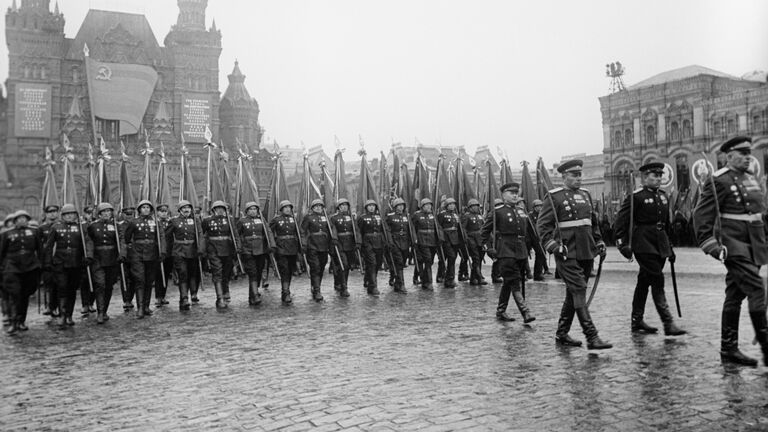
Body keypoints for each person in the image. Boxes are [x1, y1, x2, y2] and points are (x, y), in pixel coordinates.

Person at [694, 136, 768, 366]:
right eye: (742, 153)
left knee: (735, 295)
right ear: (728, 155)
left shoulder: (751, 179)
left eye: (749, 153)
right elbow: (701, 217)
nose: (748, 157)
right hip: (734, 245)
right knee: (757, 290)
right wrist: (713, 247)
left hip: (755, 245)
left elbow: (761, 214)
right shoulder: (718, 180)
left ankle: (728, 348)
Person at [537, 159, 612, 350]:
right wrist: (554, 246)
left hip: (586, 251)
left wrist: (599, 242)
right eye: (574, 175)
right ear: (564, 177)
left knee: (573, 294)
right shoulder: (554, 197)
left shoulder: (586, 195)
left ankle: (562, 333)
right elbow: (543, 227)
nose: (578, 178)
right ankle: (592, 337)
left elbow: (592, 223)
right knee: (578, 289)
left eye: (580, 175)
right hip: (566, 252)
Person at [615, 162, 686, 336]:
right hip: (643, 243)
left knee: (644, 281)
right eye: (654, 176)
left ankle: (636, 320)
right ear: (644, 178)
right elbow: (621, 222)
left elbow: (666, 225)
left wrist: (669, 247)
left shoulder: (663, 196)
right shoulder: (636, 197)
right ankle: (668, 323)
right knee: (657, 279)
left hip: (660, 243)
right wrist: (622, 244)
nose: (658, 179)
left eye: (660, 176)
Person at [482, 183, 536, 323]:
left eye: (516, 193)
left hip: (521, 251)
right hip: (505, 250)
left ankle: (501, 311)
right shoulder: (497, 212)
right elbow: (484, 233)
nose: (515, 195)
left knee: (508, 281)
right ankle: (525, 312)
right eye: (511, 193)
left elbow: (529, 233)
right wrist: (488, 248)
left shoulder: (521, 211)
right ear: (503, 195)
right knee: (514, 281)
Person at [45, 204, 88, 327]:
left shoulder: (80, 227)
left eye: (72, 214)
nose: (70, 216)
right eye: (67, 214)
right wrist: (47, 263)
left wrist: (87, 257)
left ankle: (69, 315)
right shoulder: (56, 227)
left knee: (72, 289)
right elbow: (49, 247)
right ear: (62, 216)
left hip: (76, 264)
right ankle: (62, 315)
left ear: (75, 215)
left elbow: (86, 243)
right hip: (60, 264)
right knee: (62, 288)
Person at [0, 210, 43, 334]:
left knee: (25, 296)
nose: (22, 220)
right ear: (15, 221)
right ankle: (13, 322)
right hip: (12, 268)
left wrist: (40, 265)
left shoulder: (34, 232)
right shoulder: (7, 234)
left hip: (30, 267)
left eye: (25, 218)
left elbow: (39, 250)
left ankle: (21, 321)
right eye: (19, 219)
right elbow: (1, 253)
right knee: (15, 295)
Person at [124, 200, 166, 318]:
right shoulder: (134, 222)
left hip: (152, 255)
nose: (146, 209)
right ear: (139, 210)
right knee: (140, 280)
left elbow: (161, 237)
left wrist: (162, 251)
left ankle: (146, 306)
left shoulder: (156, 222)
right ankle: (140, 308)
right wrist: (131, 248)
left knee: (149, 281)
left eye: (148, 207)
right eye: (143, 207)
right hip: (137, 255)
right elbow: (127, 238)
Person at [85, 203, 124, 324]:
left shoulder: (116, 226)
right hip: (98, 259)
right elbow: (89, 241)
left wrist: (122, 254)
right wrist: (89, 256)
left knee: (108, 286)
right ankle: (100, 313)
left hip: (112, 259)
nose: (107, 214)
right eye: (104, 212)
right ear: (99, 214)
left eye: (109, 211)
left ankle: (104, 310)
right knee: (100, 285)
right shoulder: (92, 226)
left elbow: (122, 240)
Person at [166, 200, 204, 310]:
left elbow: (200, 235)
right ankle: (183, 298)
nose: (186, 210)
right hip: (179, 251)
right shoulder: (174, 221)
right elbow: (167, 237)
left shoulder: (196, 221)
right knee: (182, 274)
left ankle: (193, 294)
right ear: (180, 210)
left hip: (193, 251)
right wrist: (167, 251)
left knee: (192, 273)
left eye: (188, 208)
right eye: (184, 208)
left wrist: (201, 248)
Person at [202, 201, 236, 308]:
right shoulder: (207, 220)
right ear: (213, 210)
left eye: (222, 208)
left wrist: (238, 248)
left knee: (227, 272)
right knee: (217, 273)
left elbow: (235, 235)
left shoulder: (229, 220)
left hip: (227, 249)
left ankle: (225, 290)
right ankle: (219, 298)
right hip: (213, 249)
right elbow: (202, 235)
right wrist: (203, 249)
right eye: (217, 209)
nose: (220, 210)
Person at [236, 201, 271, 305]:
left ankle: (252, 294)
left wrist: (271, 245)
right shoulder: (242, 221)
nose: (253, 211)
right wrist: (240, 247)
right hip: (248, 250)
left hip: (261, 250)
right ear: (247, 211)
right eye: (250, 209)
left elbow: (268, 233)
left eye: (254, 209)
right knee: (253, 273)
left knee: (259, 271)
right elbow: (237, 235)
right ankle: (255, 295)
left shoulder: (262, 221)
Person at [300, 199, 331, 302]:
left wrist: (332, 241)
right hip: (312, 245)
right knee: (315, 267)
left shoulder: (326, 217)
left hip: (324, 245)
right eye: (316, 206)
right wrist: (304, 243)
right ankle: (317, 291)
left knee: (322, 267)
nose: (318, 208)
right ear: (312, 208)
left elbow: (330, 230)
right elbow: (303, 231)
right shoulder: (308, 218)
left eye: (320, 206)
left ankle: (315, 286)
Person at [270, 200, 300, 304]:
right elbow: (270, 232)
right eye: (285, 207)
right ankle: (285, 292)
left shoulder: (294, 219)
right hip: (281, 247)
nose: (288, 209)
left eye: (289, 207)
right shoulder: (276, 220)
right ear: (281, 209)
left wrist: (300, 248)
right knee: (284, 269)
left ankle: (287, 289)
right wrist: (273, 245)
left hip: (292, 247)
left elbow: (298, 234)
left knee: (291, 270)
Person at [412, 198, 441, 290]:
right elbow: (412, 228)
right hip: (422, 240)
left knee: (430, 261)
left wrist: (440, 238)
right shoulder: (417, 215)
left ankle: (423, 278)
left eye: (430, 205)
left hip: (432, 240)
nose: (429, 206)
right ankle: (428, 282)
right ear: (422, 206)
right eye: (426, 205)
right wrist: (415, 239)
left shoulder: (433, 215)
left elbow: (437, 227)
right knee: (427, 260)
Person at [357, 199, 384, 295]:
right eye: (369, 206)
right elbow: (359, 231)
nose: (372, 207)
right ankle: (373, 286)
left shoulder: (379, 217)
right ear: (366, 208)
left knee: (377, 264)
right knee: (372, 263)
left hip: (379, 242)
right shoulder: (362, 218)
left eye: (373, 205)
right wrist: (359, 243)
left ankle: (368, 279)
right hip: (367, 242)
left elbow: (383, 230)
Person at [330, 198, 356, 297]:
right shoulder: (334, 218)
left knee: (347, 266)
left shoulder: (351, 217)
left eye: (346, 205)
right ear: (338, 208)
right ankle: (344, 288)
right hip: (339, 244)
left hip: (350, 244)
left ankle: (340, 282)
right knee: (343, 264)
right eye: (342, 206)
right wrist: (335, 239)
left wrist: (357, 242)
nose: (344, 207)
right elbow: (333, 229)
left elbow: (355, 230)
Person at [386, 198, 411, 294]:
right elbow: (387, 230)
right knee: (399, 262)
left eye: (402, 205)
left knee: (403, 261)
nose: (401, 207)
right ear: (395, 207)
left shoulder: (406, 216)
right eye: (399, 205)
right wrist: (390, 241)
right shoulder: (390, 216)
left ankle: (396, 281)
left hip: (405, 241)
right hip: (395, 241)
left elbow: (410, 229)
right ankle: (401, 284)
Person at [39, 204, 60, 317]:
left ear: (58, 213)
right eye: (50, 212)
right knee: (48, 284)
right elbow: (39, 246)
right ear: (46, 214)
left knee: (57, 285)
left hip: (59, 260)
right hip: (47, 261)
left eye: (54, 211)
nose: (52, 214)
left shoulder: (61, 226)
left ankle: (55, 306)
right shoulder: (42, 229)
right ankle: (48, 306)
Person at [437, 198, 462, 288]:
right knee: (449, 257)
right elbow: (438, 227)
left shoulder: (455, 215)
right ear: (446, 205)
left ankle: (448, 277)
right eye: (450, 204)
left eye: (453, 204)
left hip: (455, 239)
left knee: (453, 258)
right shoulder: (442, 214)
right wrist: (441, 238)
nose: (452, 206)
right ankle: (448, 278)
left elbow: (459, 228)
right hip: (446, 238)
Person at [462, 199, 487, 286]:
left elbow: (483, 227)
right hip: (471, 239)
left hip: (480, 239)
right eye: (475, 206)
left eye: (477, 206)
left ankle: (473, 278)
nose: (477, 208)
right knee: (476, 258)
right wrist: (466, 238)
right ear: (470, 207)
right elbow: (463, 229)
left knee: (480, 258)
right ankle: (479, 278)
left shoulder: (480, 216)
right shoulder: (466, 216)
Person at [117, 206, 136, 311]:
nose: (129, 216)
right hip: (123, 255)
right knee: (124, 277)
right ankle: (126, 300)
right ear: (123, 214)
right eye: (127, 214)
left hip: (135, 254)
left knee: (134, 278)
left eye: (131, 214)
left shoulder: (136, 224)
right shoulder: (118, 226)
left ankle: (131, 297)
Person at [154, 204, 173, 307]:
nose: (164, 213)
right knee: (158, 276)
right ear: (157, 212)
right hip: (157, 252)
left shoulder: (171, 223)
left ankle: (163, 296)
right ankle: (158, 297)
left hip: (169, 253)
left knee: (165, 274)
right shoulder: (154, 223)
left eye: (165, 211)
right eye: (161, 211)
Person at [529, 199, 549, 281]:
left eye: (541, 206)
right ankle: (535, 274)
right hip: (533, 238)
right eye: (537, 206)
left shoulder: (543, 215)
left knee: (541, 254)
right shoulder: (530, 215)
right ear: (534, 207)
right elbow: (531, 227)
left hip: (541, 238)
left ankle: (539, 273)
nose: (540, 208)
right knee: (540, 254)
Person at [490, 198, 504, 283]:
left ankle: (501, 273)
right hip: (495, 238)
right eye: (497, 205)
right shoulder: (492, 215)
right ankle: (495, 276)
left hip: (502, 238)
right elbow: (487, 228)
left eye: (500, 205)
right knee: (496, 257)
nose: (499, 207)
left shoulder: (504, 214)